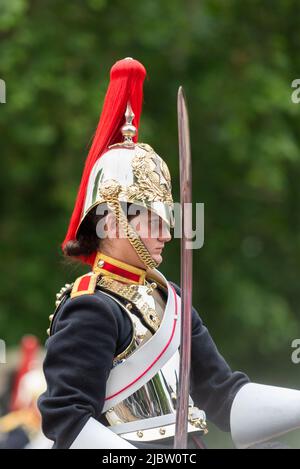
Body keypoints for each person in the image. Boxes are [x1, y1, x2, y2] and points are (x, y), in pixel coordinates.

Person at [38, 58, 300, 449]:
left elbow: (225, 399)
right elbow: (67, 418)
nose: (167, 233)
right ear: (110, 224)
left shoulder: (171, 300)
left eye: (167, 219)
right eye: (152, 220)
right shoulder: (91, 307)